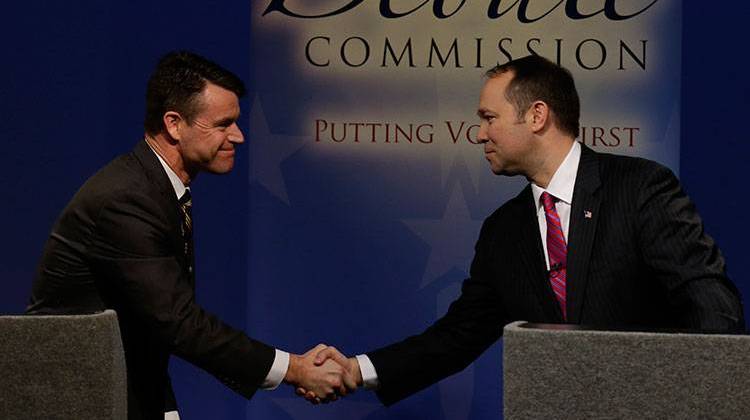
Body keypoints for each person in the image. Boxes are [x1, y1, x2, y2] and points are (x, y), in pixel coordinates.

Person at [304, 54, 746, 405]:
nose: (479, 134)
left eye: (488, 117)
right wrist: (357, 370)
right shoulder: (504, 231)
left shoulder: (641, 188)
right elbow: (458, 336)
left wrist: (703, 400)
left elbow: (709, 303)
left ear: (536, 116)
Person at [26, 51, 354, 419]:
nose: (239, 136)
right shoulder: (126, 199)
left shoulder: (157, 188)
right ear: (174, 124)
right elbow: (178, 322)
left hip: (123, 390)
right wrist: (294, 368)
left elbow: (154, 328)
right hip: (76, 402)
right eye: (223, 124)